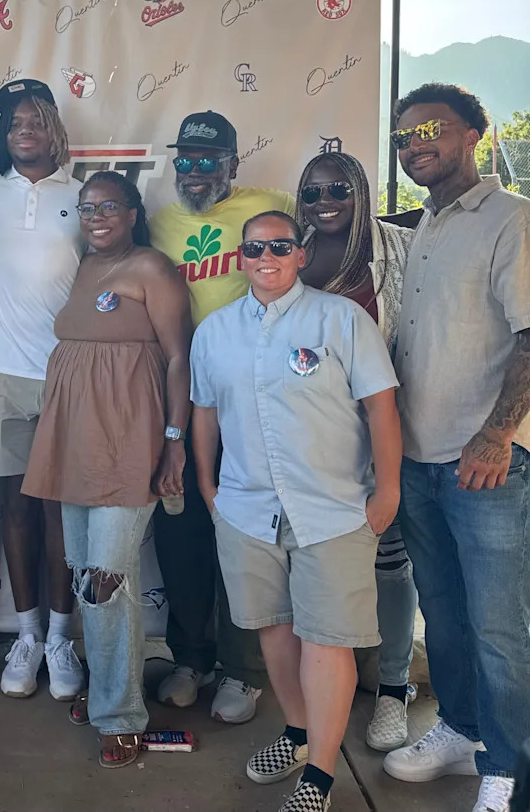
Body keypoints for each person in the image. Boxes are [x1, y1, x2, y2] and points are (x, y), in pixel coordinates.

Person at [191, 210, 402, 812]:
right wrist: (209, 487)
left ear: (300, 254)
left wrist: (386, 491)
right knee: (274, 632)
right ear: (239, 256)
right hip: (246, 507)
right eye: (255, 247)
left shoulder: (341, 319)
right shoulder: (215, 330)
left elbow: (381, 410)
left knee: (326, 641)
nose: (267, 256)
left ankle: (322, 775)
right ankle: (297, 733)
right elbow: (204, 412)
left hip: (332, 509)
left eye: (280, 246)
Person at [382, 83, 530, 812]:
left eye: (430, 130)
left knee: (501, 627)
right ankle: (461, 731)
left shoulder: (511, 220)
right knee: (442, 612)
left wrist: (497, 434)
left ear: (475, 133)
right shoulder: (424, 227)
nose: (415, 145)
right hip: (417, 460)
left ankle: (508, 769)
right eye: (404, 137)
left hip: (486, 466)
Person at [22, 171, 192, 768]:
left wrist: (175, 441)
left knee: (107, 578)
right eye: (86, 207)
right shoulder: (86, 267)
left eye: (108, 207)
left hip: (129, 439)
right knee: (83, 575)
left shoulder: (151, 268)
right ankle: (104, 688)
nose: (96, 216)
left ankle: (121, 715)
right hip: (74, 441)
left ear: (132, 211)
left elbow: (178, 358)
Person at [149, 110, 294, 720]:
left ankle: (243, 669)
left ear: (234, 164)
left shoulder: (271, 209)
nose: (196, 173)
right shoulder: (157, 222)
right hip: (177, 402)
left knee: (247, 537)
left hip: (250, 401)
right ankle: (191, 657)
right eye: (186, 160)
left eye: (209, 161)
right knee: (181, 534)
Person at [0, 79, 85, 701]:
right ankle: (28, 635)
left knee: (61, 511)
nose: (25, 130)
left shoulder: (86, 196)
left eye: (37, 120)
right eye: (14, 123)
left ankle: (63, 639)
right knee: (15, 507)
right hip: (5, 378)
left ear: (57, 129)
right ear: (3, 138)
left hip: (69, 377)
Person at [295, 151, 420, 752]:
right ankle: (322, 689)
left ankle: (394, 689)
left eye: (339, 188)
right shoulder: (288, 252)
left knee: (390, 562)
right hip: (308, 444)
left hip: (379, 433)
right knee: (317, 567)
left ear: (362, 190)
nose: (326, 201)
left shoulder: (394, 249)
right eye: (314, 190)